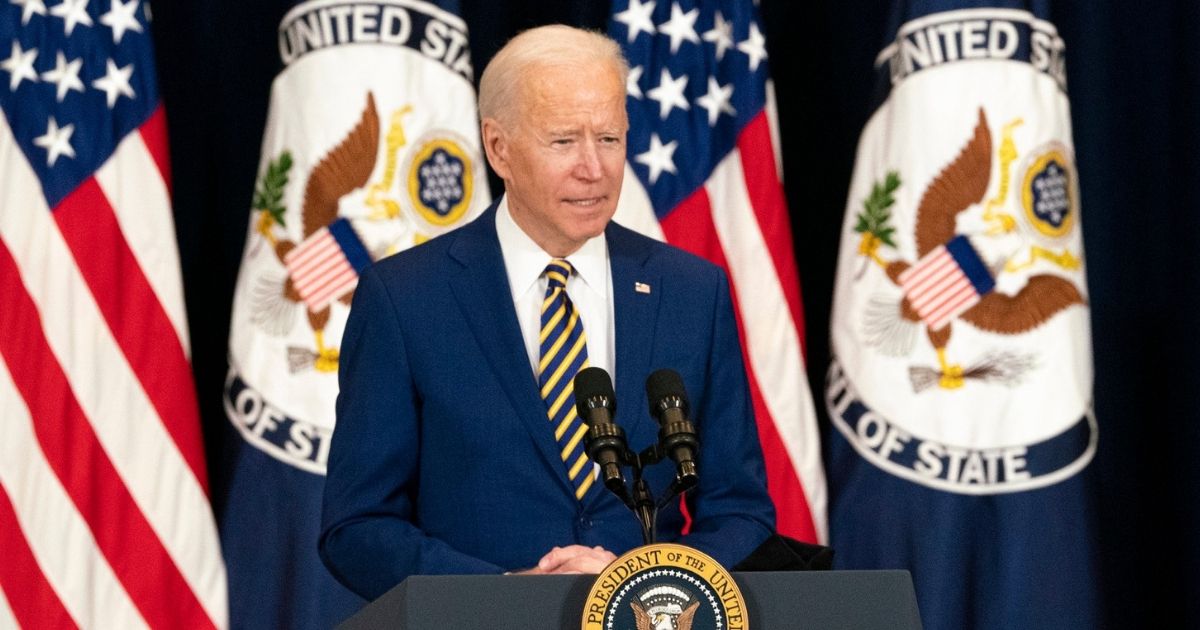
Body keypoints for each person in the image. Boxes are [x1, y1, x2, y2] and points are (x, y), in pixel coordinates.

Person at [318, 24, 775, 602]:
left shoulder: (691, 292)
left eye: (608, 139)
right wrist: (508, 593)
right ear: (498, 147)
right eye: (564, 142)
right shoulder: (405, 299)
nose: (594, 168)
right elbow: (356, 527)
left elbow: (740, 511)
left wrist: (645, 584)